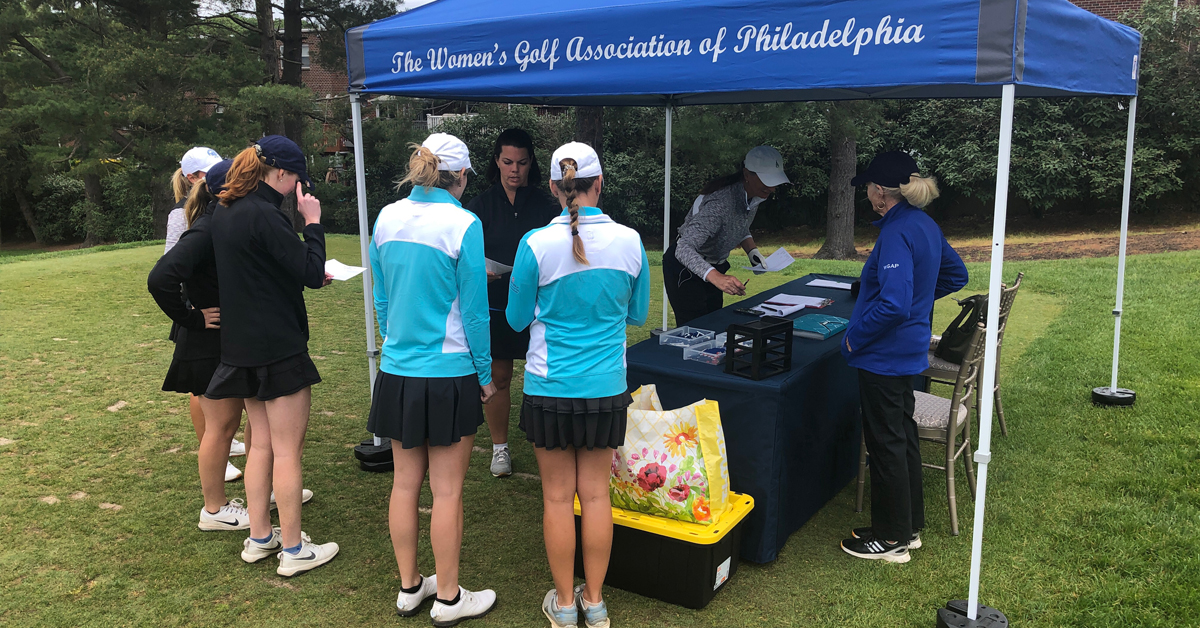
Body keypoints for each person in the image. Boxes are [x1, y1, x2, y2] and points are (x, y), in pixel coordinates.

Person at [507, 142, 650, 628]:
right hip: (605, 388)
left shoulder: (534, 244)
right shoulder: (631, 242)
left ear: (552, 187)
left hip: (549, 388)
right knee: (595, 497)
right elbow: (637, 313)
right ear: (600, 184)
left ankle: (565, 605)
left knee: (555, 497)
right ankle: (595, 601)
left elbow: (515, 318)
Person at [367, 133, 499, 624]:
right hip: (448, 372)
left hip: (398, 370)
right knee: (447, 490)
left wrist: (396, 343)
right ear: (461, 176)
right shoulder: (464, 223)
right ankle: (447, 597)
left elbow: (381, 300)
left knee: (404, 485)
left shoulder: (386, 217)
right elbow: (475, 310)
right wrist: (485, 375)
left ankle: (409, 588)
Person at [206, 135, 336, 577]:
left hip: (240, 345)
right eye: (296, 179)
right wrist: (312, 223)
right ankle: (295, 550)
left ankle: (260, 537)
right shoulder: (265, 214)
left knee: (260, 444)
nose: (297, 187)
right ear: (281, 173)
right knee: (285, 451)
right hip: (277, 346)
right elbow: (311, 274)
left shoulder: (224, 210)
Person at [838, 151, 968, 564]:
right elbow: (954, 275)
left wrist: (855, 338)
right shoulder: (922, 223)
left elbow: (893, 304)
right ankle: (907, 527)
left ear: (880, 192)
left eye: (869, 189)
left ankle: (891, 539)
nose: (869, 197)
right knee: (902, 434)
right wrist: (917, 302)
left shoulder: (896, 233)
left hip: (885, 354)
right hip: (907, 350)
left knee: (885, 441)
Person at [148, 159, 253, 530]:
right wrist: (192, 317)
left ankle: (256, 492)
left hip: (224, 338)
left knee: (236, 421)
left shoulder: (218, 224)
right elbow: (160, 277)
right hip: (206, 342)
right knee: (221, 427)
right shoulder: (206, 229)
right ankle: (214, 510)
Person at [465, 128, 560, 478]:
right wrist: (480, 272)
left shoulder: (546, 205)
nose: (514, 169)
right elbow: (465, 258)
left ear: (531, 163)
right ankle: (500, 448)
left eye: (521, 163)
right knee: (500, 376)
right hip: (495, 303)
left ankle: (549, 442)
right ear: (496, 162)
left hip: (539, 305)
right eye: (507, 162)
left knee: (543, 374)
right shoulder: (479, 206)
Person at [164, 146, 247, 473]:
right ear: (191, 178)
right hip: (197, 308)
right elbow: (171, 267)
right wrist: (192, 314)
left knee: (223, 384)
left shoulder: (222, 207)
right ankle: (213, 450)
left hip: (221, 306)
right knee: (202, 385)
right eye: (206, 173)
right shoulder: (181, 214)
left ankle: (222, 439)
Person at [663, 145, 790, 326]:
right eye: (766, 181)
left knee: (714, 325)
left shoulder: (755, 196)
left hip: (713, 267)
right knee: (695, 332)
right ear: (747, 175)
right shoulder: (720, 202)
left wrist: (752, 251)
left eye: (774, 181)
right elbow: (684, 248)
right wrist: (716, 277)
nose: (771, 188)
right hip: (686, 268)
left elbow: (738, 226)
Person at [166, 147, 223, 253]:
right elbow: (171, 255)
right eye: (210, 171)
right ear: (192, 178)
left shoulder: (223, 200)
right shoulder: (180, 213)